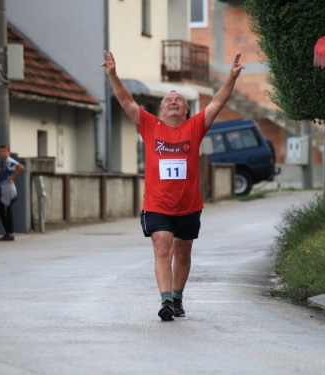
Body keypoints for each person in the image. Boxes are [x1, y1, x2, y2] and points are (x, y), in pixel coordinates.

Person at [101, 50, 244, 321]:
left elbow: (216, 103)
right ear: (161, 109)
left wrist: (232, 77)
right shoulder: (149, 125)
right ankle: (166, 300)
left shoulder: (194, 127)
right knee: (163, 247)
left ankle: (177, 296)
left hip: (188, 205)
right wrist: (113, 75)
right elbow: (127, 102)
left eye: (178, 99)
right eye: (168, 100)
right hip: (157, 204)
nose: (173, 101)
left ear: (186, 109)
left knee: (183, 251)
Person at [0, 144, 24, 242]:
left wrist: (11, 178)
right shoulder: (2, 162)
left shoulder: (9, 161)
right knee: (2, 211)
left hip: (7, 188)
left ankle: (10, 233)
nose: (2, 153)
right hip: (2, 187)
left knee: (7, 210)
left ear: (8, 152)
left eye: (4, 151)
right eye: (1, 151)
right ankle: (7, 232)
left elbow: (20, 167)